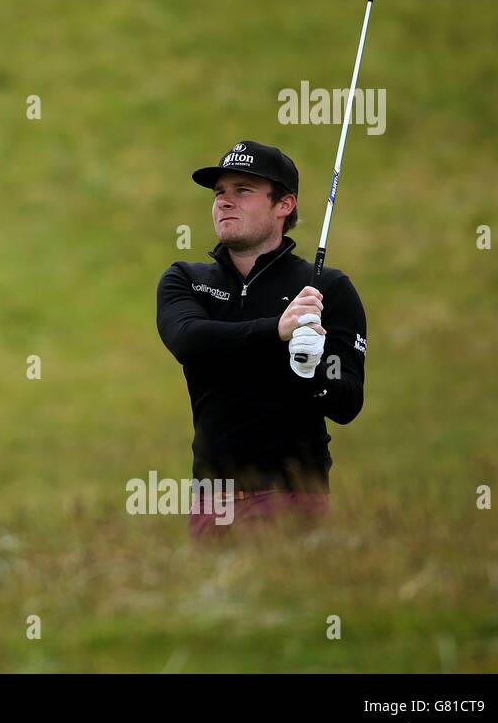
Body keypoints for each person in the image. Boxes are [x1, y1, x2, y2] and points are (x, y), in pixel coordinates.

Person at [156, 140, 367, 539]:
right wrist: (276, 331)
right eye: (220, 193)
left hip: (292, 492)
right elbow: (188, 339)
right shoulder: (187, 280)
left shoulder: (327, 289)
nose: (224, 202)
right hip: (210, 497)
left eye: (243, 191)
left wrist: (311, 372)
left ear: (284, 205)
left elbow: (347, 401)